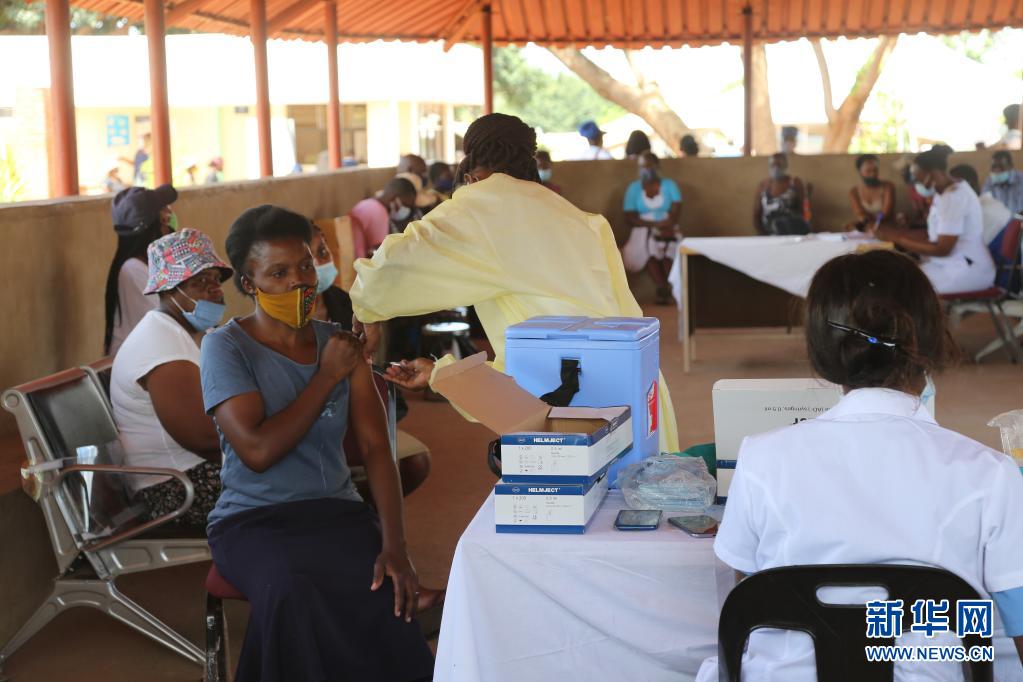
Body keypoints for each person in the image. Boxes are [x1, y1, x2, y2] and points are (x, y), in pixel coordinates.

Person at [696, 249, 1023, 682]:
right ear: (931, 342)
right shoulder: (990, 474)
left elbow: (750, 594)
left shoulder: (761, 459)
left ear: (821, 351)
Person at [350, 112, 679, 454]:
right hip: (636, 384)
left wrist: (366, 311)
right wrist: (438, 375)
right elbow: (549, 344)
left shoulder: (482, 207)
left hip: (578, 409)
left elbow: (389, 268)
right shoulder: (577, 217)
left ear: (471, 170)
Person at [199, 205, 434, 681]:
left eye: (305, 266)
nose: (299, 282)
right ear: (248, 283)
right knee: (291, 590)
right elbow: (258, 452)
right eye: (278, 273)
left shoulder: (341, 344)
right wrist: (326, 377)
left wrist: (396, 545)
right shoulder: (225, 347)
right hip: (253, 520)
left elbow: (376, 448)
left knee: (384, 589)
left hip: (334, 512)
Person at [112, 229, 232, 528]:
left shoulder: (189, 334)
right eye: (199, 282)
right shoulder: (161, 344)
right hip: (178, 489)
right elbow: (203, 439)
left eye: (216, 280)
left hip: (198, 474)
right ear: (169, 291)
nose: (215, 290)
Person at [875, 149, 995, 294]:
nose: (916, 184)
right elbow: (932, 235)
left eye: (918, 179)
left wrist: (897, 237)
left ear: (932, 174)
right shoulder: (943, 194)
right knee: (896, 274)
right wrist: (895, 234)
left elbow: (943, 248)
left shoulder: (954, 197)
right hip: (952, 265)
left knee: (898, 286)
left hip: (968, 270)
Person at [104, 185, 178, 356]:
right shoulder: (133, 270)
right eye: (165, 210)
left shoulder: (153, 264)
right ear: (160, 221)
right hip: (142, 362)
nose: (170, 215)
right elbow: (167, 322)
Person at [621, 152, 683, 304]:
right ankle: (662, 287)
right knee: (649, 247)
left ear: (657, 167)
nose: (647, 170)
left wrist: (665, 225)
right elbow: (629, 216)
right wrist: (653, 225)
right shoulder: (634, 188)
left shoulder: (669, 185)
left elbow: (676, 212)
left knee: (668, 250)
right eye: (643, 166)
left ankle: (670, 287)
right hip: (643, 228)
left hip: (667, 226)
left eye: (650, 166)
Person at [348, 177, 417, 259]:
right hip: (357, 262)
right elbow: (379, 253)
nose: (407, 210)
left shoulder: (367, 203)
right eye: (406, 205)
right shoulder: (379, 213)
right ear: (395, 198)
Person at [951, 163, 1014, 246]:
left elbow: (962, 247)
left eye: (952, 186)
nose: (948, 192)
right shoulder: (991, 203)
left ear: (966, 185)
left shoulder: (980, 211)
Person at [753, 153, 808, 235]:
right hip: (767, 234)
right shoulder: (763, 186)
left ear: (786, 166)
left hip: (791, 233)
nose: (776, 168)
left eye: (779, 165)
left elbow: (803, 210)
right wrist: (763, 235)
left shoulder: (795, 183)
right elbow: (756, 214)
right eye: (773, 165)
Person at [846, 154, 895, 230]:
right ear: (860, 172)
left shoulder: (888, 187)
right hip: (867, 230)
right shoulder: (854, 192)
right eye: (868, 171)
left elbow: (885, 214)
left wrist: (867, 221)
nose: (873, 174)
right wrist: (863, 219)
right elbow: (860, 213)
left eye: (875, 170)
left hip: (886, 229)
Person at [982, 151, 1023, 215]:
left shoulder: (1020, 180)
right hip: (998, 219)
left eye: (1001, 166)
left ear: (1011, 166)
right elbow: (985, 203)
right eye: (994, 167)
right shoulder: (989, 181)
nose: (997, 170)